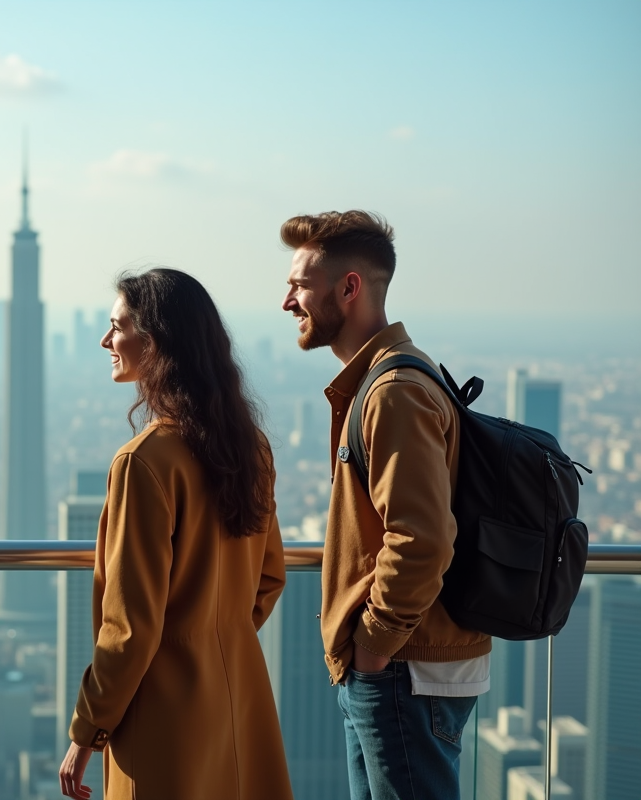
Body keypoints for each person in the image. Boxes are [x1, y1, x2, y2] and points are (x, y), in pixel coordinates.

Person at [59, 269, 293, 800]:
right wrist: (216, 636)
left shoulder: (144, 463)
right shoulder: (250, 447)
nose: (105, 340)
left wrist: (86, 732)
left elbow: (129, 626)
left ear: (153, 341)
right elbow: (271, 576)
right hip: (241, 693)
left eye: (116, 327)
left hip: (164, 713)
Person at [280, 211, 491, 799]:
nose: (286, 301)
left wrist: (371, 648)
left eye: (298, 284)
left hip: (403, 666)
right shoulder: (384, 381)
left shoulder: (393, 392)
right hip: (402, 663)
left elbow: (421, 541)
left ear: (348, 288)